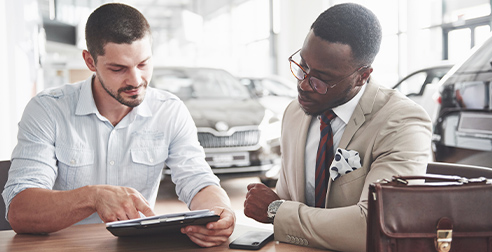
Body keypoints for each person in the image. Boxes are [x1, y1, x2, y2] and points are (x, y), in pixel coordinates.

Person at [2, 3, 234, 247]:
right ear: (90, 61)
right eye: (118, 68)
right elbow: (20, 211)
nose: (135, 80)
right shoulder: (47, 110)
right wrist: (92, 197)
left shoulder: (169, 110)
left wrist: (219, 212)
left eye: (143, 64)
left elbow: (198, 181)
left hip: (135, 247)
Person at [243, 3, 432, 252]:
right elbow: (287, 200)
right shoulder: (294, 113)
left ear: (362, 76)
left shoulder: (403, 122)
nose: (304, 85)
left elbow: (375, 226)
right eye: (302, 67)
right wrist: (279, 208)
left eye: (321, 79)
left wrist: (277, 211)